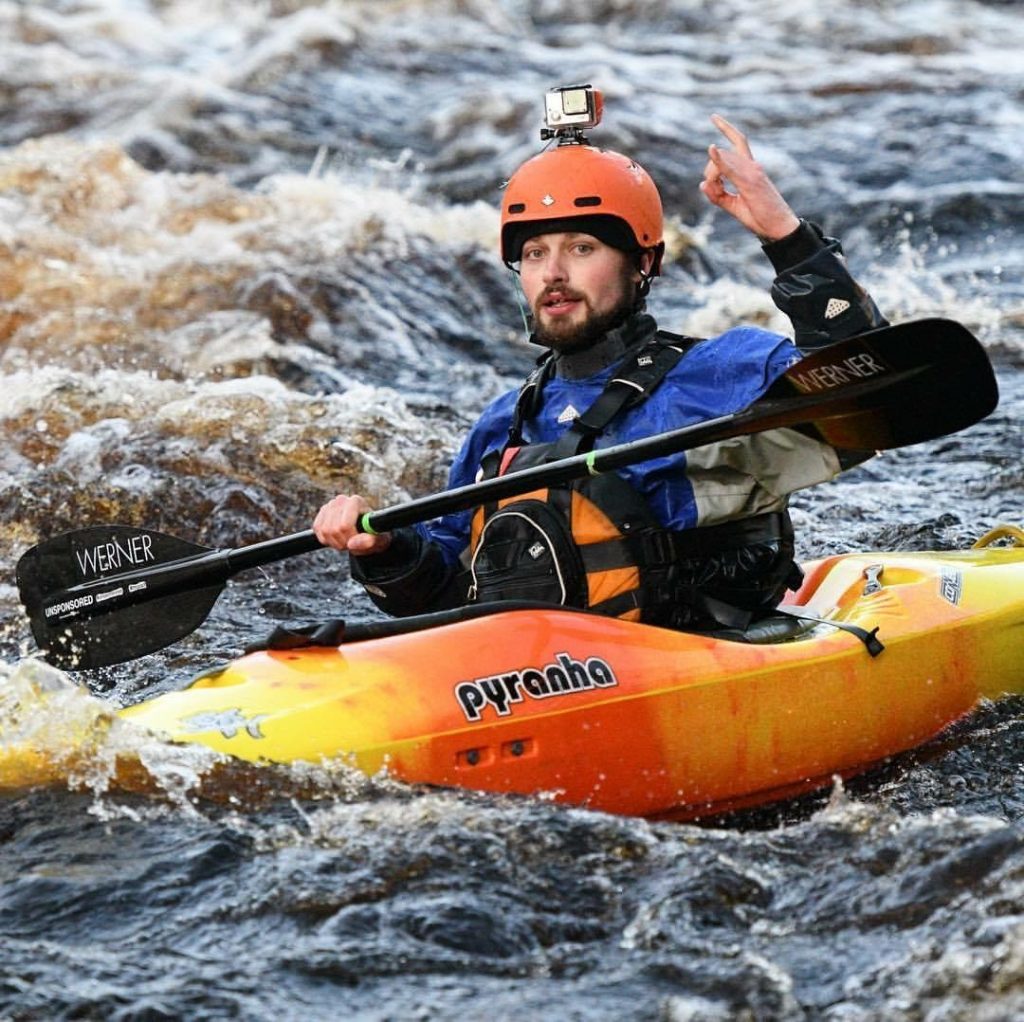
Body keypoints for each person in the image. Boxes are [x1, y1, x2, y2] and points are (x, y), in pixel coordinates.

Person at [313, 107, 887, 632]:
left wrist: (785, 236)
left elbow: (874, 388)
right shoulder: (504, 428)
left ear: (642, 263)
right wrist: (383, 547)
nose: (553, 273)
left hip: (705, 654)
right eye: (535, 254)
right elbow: (443, 593)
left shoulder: (720, 372)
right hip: (549, 674)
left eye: (581, 248)